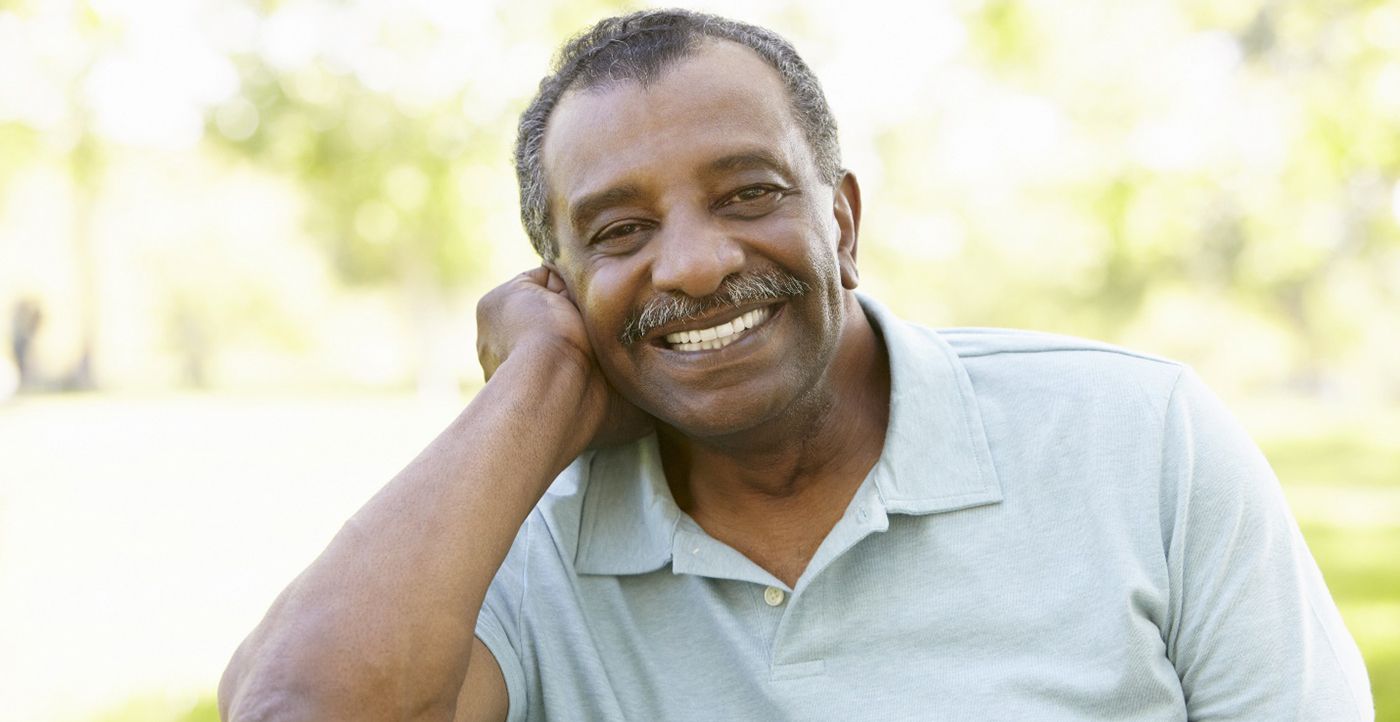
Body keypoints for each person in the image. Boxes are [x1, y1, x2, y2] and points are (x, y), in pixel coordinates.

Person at [219, 9, 1373, 721]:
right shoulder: (502, 547)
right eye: (618, 232)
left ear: (844, 222)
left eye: (748, 194)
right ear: (554, 285)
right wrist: (529, 392)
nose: (694, 263)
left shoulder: (1138, 435)